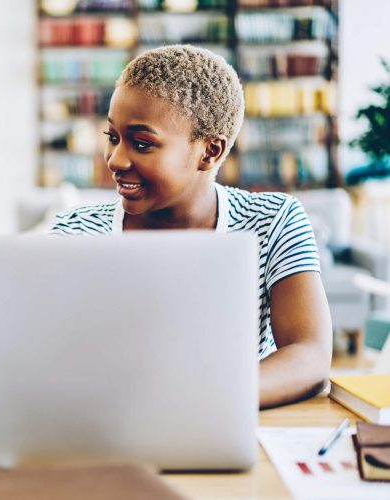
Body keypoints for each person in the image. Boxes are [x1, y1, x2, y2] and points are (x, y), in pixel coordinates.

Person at [49, 45, 332, 409]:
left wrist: (196, 401)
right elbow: (51, 360)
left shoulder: (272, 221)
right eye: (113, 137)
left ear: (210, 152)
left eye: (142, 143)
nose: (116, 160)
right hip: (105, 428)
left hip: (225, 427)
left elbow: (308, 355)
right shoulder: (75, 231)